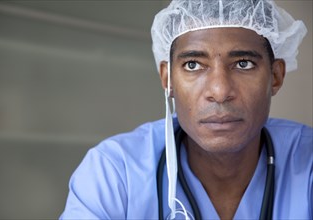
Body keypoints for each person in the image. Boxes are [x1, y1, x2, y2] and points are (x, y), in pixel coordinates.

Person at [60, 0, 312, 219]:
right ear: (167, 79)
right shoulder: (115, 171)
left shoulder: (308, 161)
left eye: (243, 63)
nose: (220, 91)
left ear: (276, 76)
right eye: (193, 64)